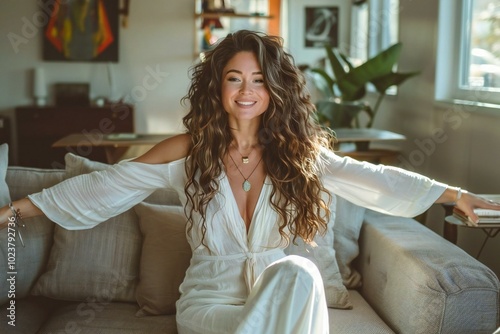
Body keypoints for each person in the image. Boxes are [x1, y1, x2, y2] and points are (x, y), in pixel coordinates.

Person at [1, 30, 499, 334]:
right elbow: (107, 186)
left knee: (299, 274)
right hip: (209, 306)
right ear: (217, 86)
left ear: (275, 89)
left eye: (259, 79)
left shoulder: (300, 155)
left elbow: (373, 177)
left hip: (282, 297)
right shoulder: (187, 151)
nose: (246, 90)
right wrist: (12, 210)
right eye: (234, 78)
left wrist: (454, 194)